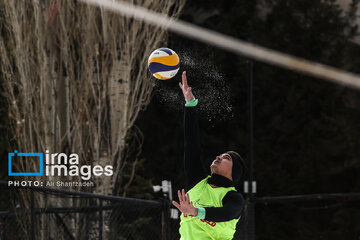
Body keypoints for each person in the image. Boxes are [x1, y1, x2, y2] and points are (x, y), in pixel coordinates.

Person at [172, 71, 246, 240]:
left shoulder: (233, 197)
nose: (219, 157)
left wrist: (195, 211)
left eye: (226, 158)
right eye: (220, 155)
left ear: (234, 172)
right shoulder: (198, 182)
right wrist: (190, 104)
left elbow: (227, 213)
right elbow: (191, 145)